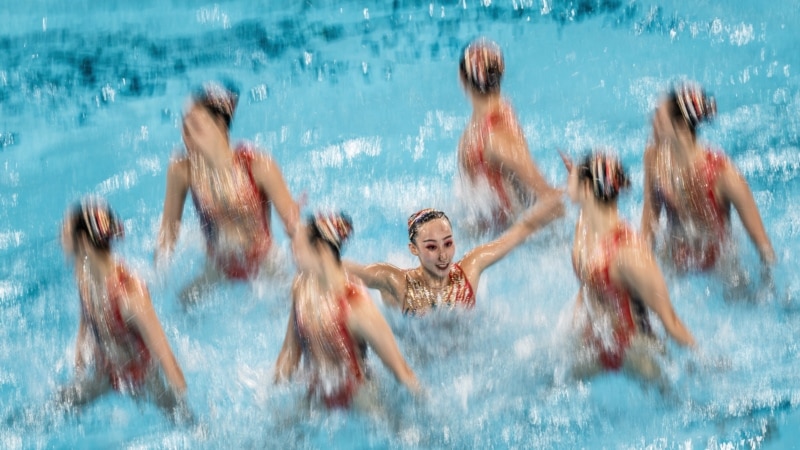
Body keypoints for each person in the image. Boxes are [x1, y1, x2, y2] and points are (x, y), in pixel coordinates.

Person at [156, 82, 300, 300]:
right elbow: (168, 233)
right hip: (218, 267)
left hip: (264, 265)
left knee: (296, 300)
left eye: (195, 127)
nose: (186, 137)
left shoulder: (258, 165)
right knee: (183, 302)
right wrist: (157, 275)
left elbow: (296, 230)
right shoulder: (182, 169)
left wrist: (294, 228)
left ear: (220, 124)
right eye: (184, 128)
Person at [564, 151, 695, 383]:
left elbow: (671, 322)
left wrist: (703, 361)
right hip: (597, 345)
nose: (567, 180)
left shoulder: (630, 254)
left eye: (574, 177)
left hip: (636, 352)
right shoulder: (585, 228)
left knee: (678, 402)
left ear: (586, 189)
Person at [58, 198, 191, 422]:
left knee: (183, 419)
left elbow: (169, 363)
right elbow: (86, 315)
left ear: (83, 241)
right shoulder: (83, 271)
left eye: (65, 231)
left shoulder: (130, 298)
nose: (61, 237)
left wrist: (180, 400)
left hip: (144, 376)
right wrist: (80, 352)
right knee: (58, 404)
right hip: (107, 371)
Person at [274, 213, 421, 409]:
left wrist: (430, 410)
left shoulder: (357, 308)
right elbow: (290, 352)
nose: (292, 253)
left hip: (359, 401)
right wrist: (272, 394)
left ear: (322, 252)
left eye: (298, 248)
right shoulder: (301, 286)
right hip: (315, 394)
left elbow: (402, 372)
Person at [344, 193, 564, 316]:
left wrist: (555, 203)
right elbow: (349, 271)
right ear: (414, 249)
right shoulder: (396, 282)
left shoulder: (471, 268)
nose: (443, 256)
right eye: (431, 247)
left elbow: (517, 232)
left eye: (448, 244)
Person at [641, 82, 775, 281]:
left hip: (719, 270)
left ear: (680, 128)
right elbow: (649, 221)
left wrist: (768, 287)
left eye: (659, 119)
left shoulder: (724, 175)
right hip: (674, 262)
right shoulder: (654, 156)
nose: (652, 123)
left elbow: (763, 247)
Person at [456, 37, 562, 234]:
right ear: (501, 73)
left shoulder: (498, 138)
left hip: (505, 240)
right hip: (491, 232)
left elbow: (555, 204)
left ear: (462, 78)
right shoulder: (488, 121)